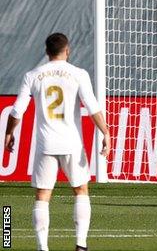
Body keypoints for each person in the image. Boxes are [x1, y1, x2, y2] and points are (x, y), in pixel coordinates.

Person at [4, 33, 111, 251]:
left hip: (46, 144)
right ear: (67, 50)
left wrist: (9, 132)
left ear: (46, 52)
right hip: (72, 143)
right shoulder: (78, 74)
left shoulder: (33, 75)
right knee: (81, 190)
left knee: (43, 195)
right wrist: (106, 133)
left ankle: (42, 247)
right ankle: (81, 245)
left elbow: (17, 110)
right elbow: (92, 107)